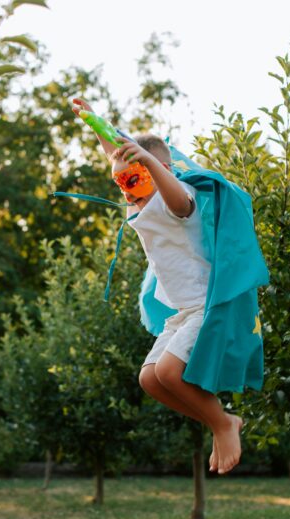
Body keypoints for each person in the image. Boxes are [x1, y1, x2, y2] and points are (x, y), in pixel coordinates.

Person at [71, 97, 245, 474]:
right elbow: (116, 149)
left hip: (205, 306)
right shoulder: (142, 202)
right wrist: (93, 122)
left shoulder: (177, 201)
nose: (126, 191)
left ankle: (223, 423)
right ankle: (218, 420)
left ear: (160, 169)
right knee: (150, 379)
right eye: (120, 182)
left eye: (133, 179)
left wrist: (148, 163)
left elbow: (178, 200)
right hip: (182, 312)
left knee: (169, 372)